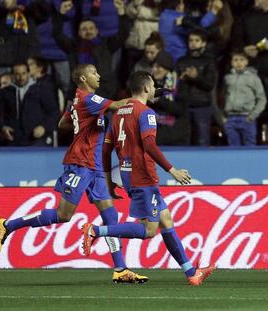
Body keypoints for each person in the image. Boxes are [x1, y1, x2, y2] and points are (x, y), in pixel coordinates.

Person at [0, 64, 147, 284]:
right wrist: (142, 96)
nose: (99, 75)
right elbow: (120, 104)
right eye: (94, 72)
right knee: (63, 215)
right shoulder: (88, 99)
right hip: (80, 164)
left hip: (95, 167)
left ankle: (121, 269)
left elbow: (61, 123)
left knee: (110, 216)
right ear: (83, 78)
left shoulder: (78, 101)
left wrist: (80, 124)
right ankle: (7, 225)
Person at [81, 71, 214, 286]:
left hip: (127, 174)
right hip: (143, 176)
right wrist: (173, 170)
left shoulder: (118, 114)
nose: (154, 89)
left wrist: (107, 179)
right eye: (152, 86)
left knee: (166, 219)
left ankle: (191, 272)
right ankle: (95, 231)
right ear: (145, 88)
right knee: (149, 230)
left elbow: (105, 151)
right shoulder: (146, 113)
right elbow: (149, 145)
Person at [0, 62, 59, 146]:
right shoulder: (5, 92)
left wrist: (44, 126)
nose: (21, 77)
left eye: (23, 73)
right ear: (13, 75)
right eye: (17, 74)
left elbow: (54, 111)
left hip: (36, 139)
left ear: (28, 73)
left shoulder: (40, 90)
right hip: (12, 139)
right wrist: (2, 127)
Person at [223, 50, 266, 146]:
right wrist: (224, 117)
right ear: (231, 62)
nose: (238, 63)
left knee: (250, 149)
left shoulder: (253, 78)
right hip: (230, 118)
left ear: (246, 62)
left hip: (247, 117)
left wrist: (252, 116)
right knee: (233, 150)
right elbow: (223, 96)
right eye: (235, 60)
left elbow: (262, 99)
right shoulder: (227, 78)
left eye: (241, 60)